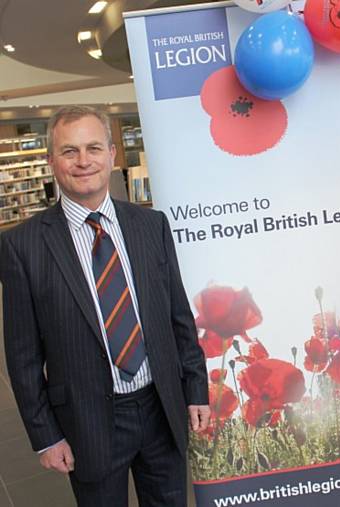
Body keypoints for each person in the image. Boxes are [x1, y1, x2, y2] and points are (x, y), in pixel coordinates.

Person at [0, 106, 211, 506]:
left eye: (94, 147)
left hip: (160, 407)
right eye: (69, 151)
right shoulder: (21, 246)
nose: (84, 161)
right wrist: (45, 434)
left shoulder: (152, 226)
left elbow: (179, 318)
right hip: (87, 421)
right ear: (51, 161)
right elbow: (23, 356)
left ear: (112, 154)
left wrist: (195, 389)